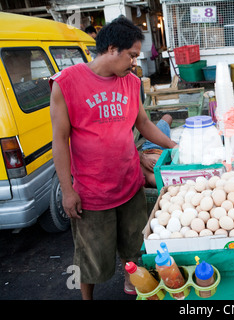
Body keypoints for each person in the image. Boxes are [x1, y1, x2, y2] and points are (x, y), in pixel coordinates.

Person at [49, 16, 177, 300]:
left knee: (134, 246)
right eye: (131, 55)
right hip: (92, 194)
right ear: (111, 49)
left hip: (129, 186)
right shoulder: (66, 83)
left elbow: (143, 123)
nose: (134, 62)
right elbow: (59, 141)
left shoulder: (131, 83)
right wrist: (67, 191)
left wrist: (173, 146)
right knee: (91, 257)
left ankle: (133, 287)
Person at [139, 114, 174, 187]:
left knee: (167, 117)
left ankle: (167, 139)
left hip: (151, 145)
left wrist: (142, 157)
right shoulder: (150, 175)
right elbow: (163, 182)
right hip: (167, 154)